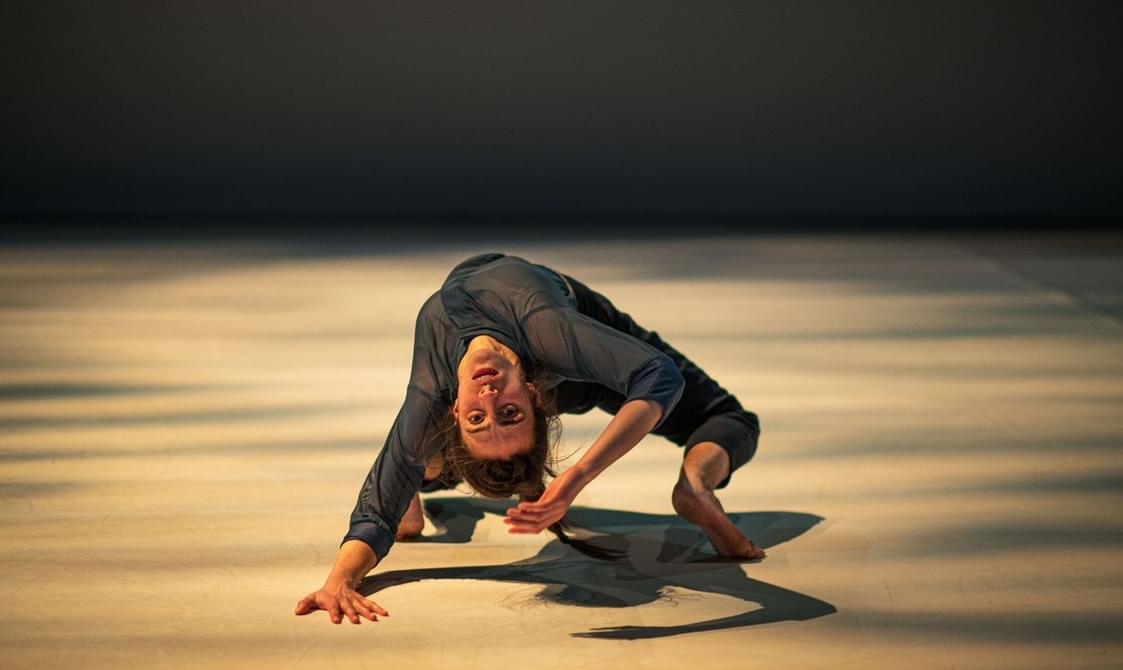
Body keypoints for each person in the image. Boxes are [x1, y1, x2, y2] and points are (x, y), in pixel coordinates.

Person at [294, 252, 764, 624]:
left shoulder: (532, 337)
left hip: (582, 353)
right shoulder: (505, 359)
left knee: (413, 460)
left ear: (539, 398)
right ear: (536, 401)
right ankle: (697, 486)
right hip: (568, 360)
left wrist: (578, 476)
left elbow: (657, 378)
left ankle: (425, 474)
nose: (490, 395)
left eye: (481, 417)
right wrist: (339, 582)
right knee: (728, 418)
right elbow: (374, 515)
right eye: (506, 414)